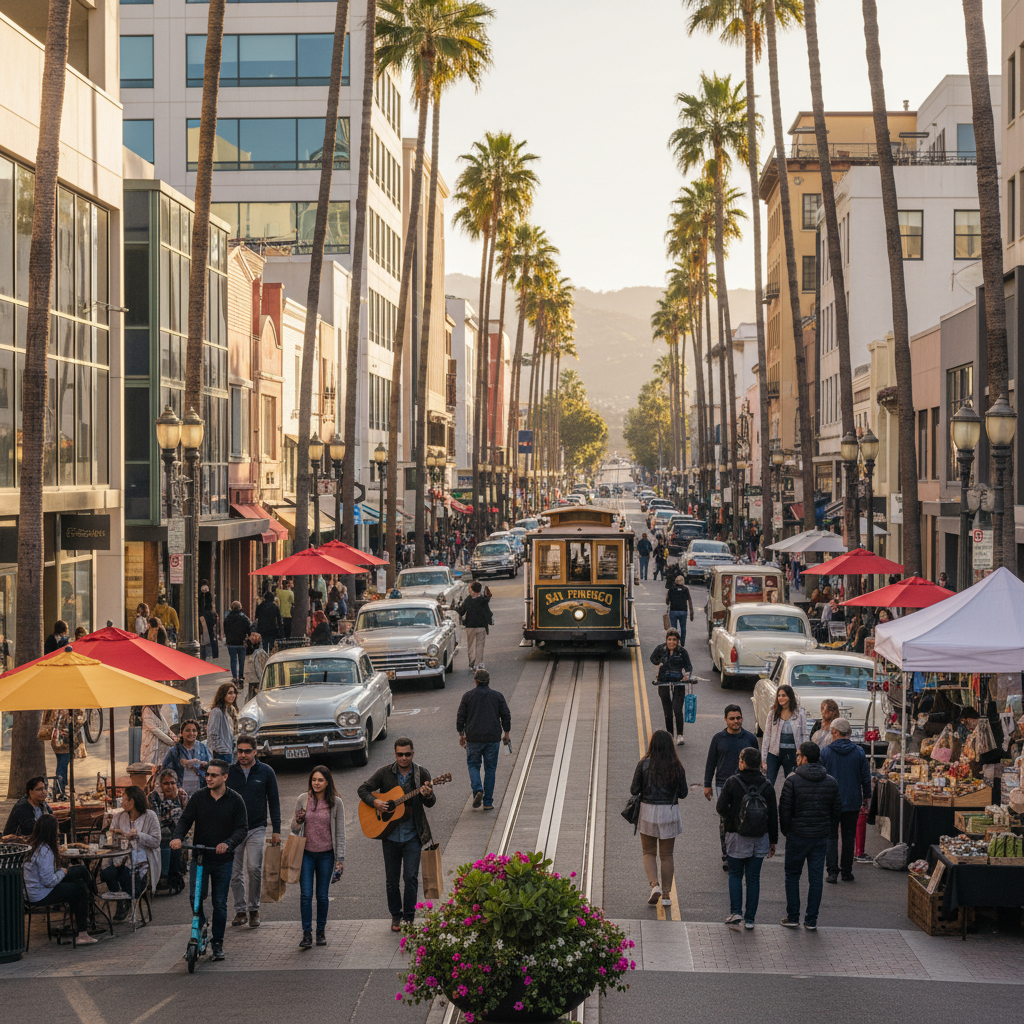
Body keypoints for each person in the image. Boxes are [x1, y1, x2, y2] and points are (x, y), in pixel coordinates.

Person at [170, 759, 248, 961]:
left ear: (225, 777)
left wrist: (228, 844)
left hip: (223, 860)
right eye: (208, 775)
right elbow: (185, 820)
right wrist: (178, 837)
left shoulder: (235, 800)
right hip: (201, 857)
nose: (209, 778)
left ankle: (218, 943)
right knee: (196, 898)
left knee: (220, 903)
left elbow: (242, 829)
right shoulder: (198, 798)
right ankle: (202, 925)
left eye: (214, 775)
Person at [357, 737, 436, 932]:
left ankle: (409, 916)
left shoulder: (421, 773)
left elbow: (430, 802)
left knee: (410, 877)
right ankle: (396, 916)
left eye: (407, 754)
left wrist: (427, 794)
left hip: (412, 836)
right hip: (390, 836)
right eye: (399, 754)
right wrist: (375, 802)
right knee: (391, 881)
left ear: (413, 754)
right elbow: (363, 789)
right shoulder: (385, 773)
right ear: (395, 755)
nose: (403, 758)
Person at [778, 741, 842, 930]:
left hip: (797, 835)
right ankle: (811, 920)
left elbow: (784, 810)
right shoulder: (830, 781)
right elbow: (836, 810)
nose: (796, 758)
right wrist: (828, 830)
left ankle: (793, 916)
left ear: (805, 758)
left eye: (798, 755)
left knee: (792, 875)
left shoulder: (792, 780)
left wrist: (787, 831)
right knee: (815, 878)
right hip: (820, 836)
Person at [716, 747, 778, 930]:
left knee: (735, 874)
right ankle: (750, 919)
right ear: (759, 764)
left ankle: (736, 912)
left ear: (742, 762)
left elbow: (720, 808)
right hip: (760, 838)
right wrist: (772, 841)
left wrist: (732, 820)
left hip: (736, 836)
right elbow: (773, 815)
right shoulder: (767, 786)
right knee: (753, 878)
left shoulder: (732, 782)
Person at [227, 734, 281, 929]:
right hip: (233, 830)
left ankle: (254, 909)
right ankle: (240, 910)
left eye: (247, 751)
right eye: (239, 751)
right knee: (235, 873)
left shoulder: (266, 772)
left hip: (257, 827)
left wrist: (276, 829)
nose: (242, 755)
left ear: (255, 752)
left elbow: (274, 801)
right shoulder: (230, 773)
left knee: (254, 868)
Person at [630, 730, 688, 908]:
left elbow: (634, 790)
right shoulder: (676, 766)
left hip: (648, 811)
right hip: (669, 812)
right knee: (667, 855)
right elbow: (684, 793)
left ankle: (654, 885)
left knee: (648, 852)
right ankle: (667, 895)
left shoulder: (644, 764)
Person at [290, 765, 345, 948]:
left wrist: (340, 860)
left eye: (320, 780)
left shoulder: (336, 802)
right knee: (306, 895)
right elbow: (294, 828)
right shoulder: (303, 799)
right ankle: (307, 934)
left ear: (327, 782)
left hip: (326, 856)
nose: (316, 783)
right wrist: (298, 820)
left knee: (322, 896)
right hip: (306, 854)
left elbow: (340, 833)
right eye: (314, 780)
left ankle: (320, 931)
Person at [23, 813, 99, 944]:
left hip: (35, 889)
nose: (58, 831)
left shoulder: (33, 845)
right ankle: (82, 933)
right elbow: (49, 881)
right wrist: (62, 873)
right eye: (57, 828)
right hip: (41, 893)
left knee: (80, 870)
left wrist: (62, 872)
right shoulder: (45, 851)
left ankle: (90, 898)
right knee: (79, 888)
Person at [704, 705, 760, 872]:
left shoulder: (750, 738)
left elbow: (756, 763)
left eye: (739, 718)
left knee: (747, 817)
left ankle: (746, 851)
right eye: (732, 718)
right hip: (723, 785)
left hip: (747, 785)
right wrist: (707, 785)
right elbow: (710, 763)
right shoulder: (718, 739)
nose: (736, 721)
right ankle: (727, 855)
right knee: (725, 821)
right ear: (725, 720)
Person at [820, 719, 871, 884]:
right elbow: (865, 778)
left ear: (834, 732)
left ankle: (832, 872)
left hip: (830, 801)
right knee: (849, 836)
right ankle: (847, 872)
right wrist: (867, 797)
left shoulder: (826, 752)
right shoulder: (859, 752)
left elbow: (820, 778)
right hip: (852, 799)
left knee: (831, 836)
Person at [100, 786, 161, 920]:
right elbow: (111, 836)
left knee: (126, 875)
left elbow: (156, 841)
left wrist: (139, 835)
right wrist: (115, 836)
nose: (121, 801)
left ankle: (128, 899)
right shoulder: (119, 816)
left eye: (124, 798)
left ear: (132, 801)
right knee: (106, 873)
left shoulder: (150, 816)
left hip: (140, 866)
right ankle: (120, 900)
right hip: (120, 861)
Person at [456, 668, 511, 810]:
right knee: (490, 769)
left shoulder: (468, 696)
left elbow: (461, 716)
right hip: (492, 738)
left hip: (473, 738)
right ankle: (487, 802)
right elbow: (506, 715)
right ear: (488, 681)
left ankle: (477, 789)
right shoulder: (497, 696)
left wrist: (461, 734)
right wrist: (506, 733)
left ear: (475, 681)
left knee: (473, 765)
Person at [649, 631, 692, 744]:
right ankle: (670, 735)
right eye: (669, 639)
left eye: (674, 640)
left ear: (678, 641)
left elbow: (689, 667)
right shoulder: (660, 649)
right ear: (666, 640)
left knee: (677, 709)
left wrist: (686, 676)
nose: (671, 642)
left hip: (678, 682)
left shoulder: (682, 652)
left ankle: (680, 735)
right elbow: (652, 658)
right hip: (663, 682)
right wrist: (659, 664)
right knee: (667, 711)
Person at [761, 684, 808, 785]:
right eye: (779, 695)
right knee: (768, 783)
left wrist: (804, 755)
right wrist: (764, 759)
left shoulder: (800, 712)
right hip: (774, 753)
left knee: (792, 783)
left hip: (793, 754)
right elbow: (767, 735)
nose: (781, 698)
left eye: (784, 695)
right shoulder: (773, 712)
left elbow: (805, 734)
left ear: (790, 697)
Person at [149, 769, 187, 892]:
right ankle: (166, 876)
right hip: (159, 835)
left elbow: (188, 819)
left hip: (178, 835)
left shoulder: (182, 795)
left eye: (172, 783)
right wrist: (171, 814)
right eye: (166, 783)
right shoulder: (153, 797)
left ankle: (174, 876)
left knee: (177, 843)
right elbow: (155, 821)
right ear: (160, 784)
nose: (169, 786)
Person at [162, 719, 211, 798]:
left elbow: (211, 768)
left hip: (200, 791)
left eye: (194, 731)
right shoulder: (174, 751)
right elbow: (165, 772)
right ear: (181, 733)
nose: (191, 733)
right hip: (180, 794)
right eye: (188, 730)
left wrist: (200, 764)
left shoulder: (203, 748)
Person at [39, 708, 81, 797]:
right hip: (63, 739)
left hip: (57, 738)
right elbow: (78, 721)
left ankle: (60, 787)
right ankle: (60, 788)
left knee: (62, 763)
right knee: (63, 764)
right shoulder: (65, 709)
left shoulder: (55, 707)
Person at [456, 581, 492, 671]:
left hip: (470, 626)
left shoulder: (468, 600)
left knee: (471, 645)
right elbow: (488, 612)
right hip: (481, 625)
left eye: (470, 588)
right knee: (480, 645)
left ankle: (472, 662)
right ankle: (479, 663)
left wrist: (455, 608)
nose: (469, 590)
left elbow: (461, 611)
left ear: (472, 590)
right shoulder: (483, 600)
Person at [207, 682, 239, 763]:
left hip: (232, 751)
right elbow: (212, 733)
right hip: (222, 753)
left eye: (234, 693)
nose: (233, 696)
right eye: (230, 693)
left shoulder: (231, 710)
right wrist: (220, 749)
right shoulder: (217, 711)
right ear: (223, 694)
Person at [223, 601, 251, 683]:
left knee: (233, 660)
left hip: (231, 643)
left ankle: (234, 677)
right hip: (241, 642)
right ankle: (241, 676)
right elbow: (248, 629)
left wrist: (228, 638)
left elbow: (225, 630)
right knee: (241, 660)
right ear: (240, 607)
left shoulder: (227, 618)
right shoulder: (244, 618)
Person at [664, 573, 694, 645]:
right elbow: (690, 601)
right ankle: (682, 643)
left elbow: (667, 600)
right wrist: (691, 613)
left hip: (673, 611)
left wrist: (669, 602)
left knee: (674, 629)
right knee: (683, 628)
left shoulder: (671, 589)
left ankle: (675, 643)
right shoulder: (686, 589)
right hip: (683, 611)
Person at [244, 632, 268, 702]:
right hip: (256, 680)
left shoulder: (253, 654)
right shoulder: (259, 653)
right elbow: (260, 669)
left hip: (252, 680)